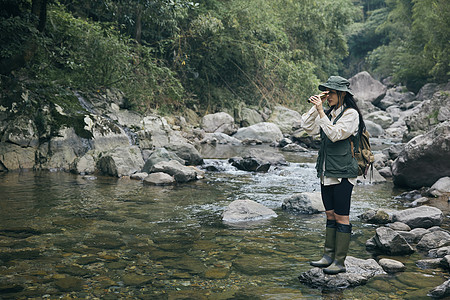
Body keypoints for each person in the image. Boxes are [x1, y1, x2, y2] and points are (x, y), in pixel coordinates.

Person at [301, 76, 365, 275]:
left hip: (344, 173)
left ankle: (340, 261)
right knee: (329, 214)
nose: (328, 96)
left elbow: (335, 134)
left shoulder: (351, 114)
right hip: (326, 171)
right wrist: (316, 106)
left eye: (331, 93)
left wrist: (321, 111)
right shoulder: (329, 112)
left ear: (342, 94)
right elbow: (306, 127)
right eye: (326, 93)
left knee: (341, 217)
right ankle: (327, 256)